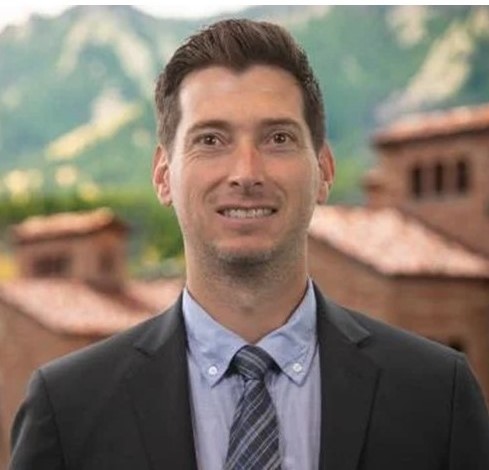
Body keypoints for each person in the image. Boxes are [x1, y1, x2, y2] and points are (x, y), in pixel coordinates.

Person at [9, 18, 489, 470]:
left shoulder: (437, 396)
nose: (246, 173)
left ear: (324, 171)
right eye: (210, 140)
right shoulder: (68, 410)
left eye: (278, 138)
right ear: (163, 175)